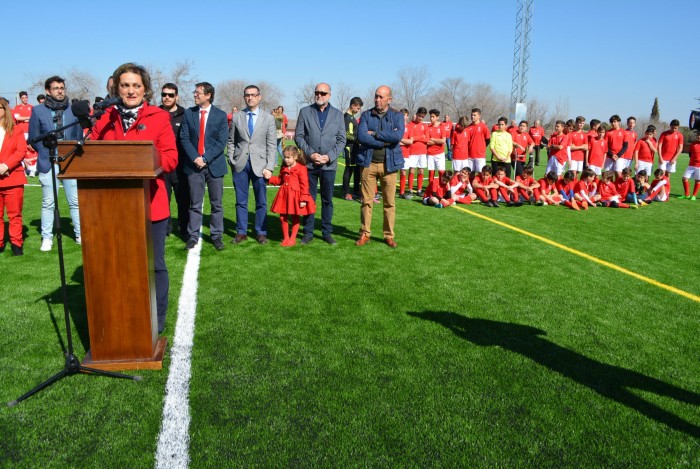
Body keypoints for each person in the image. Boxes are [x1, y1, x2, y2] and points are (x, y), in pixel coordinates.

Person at [91, 62, 178, 334]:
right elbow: (89, 152)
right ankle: (124, 314)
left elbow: (171, 157)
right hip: (112, 206)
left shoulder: (158, 117)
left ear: (145, 89)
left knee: (155, 265)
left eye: (136, 86)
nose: (131, 91)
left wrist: (145, 160)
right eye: (125, 85)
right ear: (116, 88)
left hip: (151, 204)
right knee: (118, 265)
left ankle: (157, 316)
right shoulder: (106, 117)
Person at [28, 75, 82, 252]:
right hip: (48, 160)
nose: (60, 91)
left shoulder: (72, 109)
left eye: (62, 88)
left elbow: (78, 136)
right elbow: (34, 138)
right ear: (48, 91)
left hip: (70, 160)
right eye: (56, 88)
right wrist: (45, 152)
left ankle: (80, 233)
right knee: (49, 202)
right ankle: (47, 237)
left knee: (74, 200)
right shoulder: (38, 111)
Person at [294, 82, 346, 245]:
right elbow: (299, 137)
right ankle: (308, 232)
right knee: (309, 199)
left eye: (323, 93)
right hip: (309, 165)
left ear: (329, 95)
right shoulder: (305, 112)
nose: (319, 95)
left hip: (328, 166)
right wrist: (311, 153)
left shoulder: (338, 115)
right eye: (317, 92)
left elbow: (341, 140)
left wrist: (329, 157)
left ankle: (326, 232)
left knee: (327, 200)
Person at [181, 82, 229, 250]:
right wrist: (195, 157)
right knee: (195, 203)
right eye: (195, 92)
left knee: (216, 204)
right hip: (194, 167)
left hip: (214, 166)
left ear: (208, 95)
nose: (195, 95)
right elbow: (184, 138)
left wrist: (205, 158)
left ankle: (216, 236)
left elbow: (221, 142)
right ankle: (193, 236)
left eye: (198, 93)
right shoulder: (189, 114)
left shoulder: (221, 115)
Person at [355, 85, 404, 248]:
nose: (377, 99)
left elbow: (398, 136)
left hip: (389, 166)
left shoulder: (397, 116)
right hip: (368, 164)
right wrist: (385, 141)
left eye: (381, 97)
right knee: (366, 201)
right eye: (376, 96)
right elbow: (362, 136)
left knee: (389, 203)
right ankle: (365, 233)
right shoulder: (366, 114)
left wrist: (375, 134)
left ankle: (388, 235)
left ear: (389, 99)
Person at [228, 84, 277, 245]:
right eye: (247, 95)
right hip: (240, 164)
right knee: (241, 201)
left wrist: (269, 167)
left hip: (260, 165)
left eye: (253, 95)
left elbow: (272, 144)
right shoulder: (237, 117)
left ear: (259, 97)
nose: (250, 97)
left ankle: (261, 231)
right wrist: (232, 159)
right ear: (244, 97)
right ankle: (241, 232)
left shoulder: (268, 118)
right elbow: (231, 141)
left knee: (261, 201)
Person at [268, 146, 316, 246]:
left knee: (295, 217)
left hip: (295, 196)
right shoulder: (284, 167)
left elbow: (304, 184)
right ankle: (286, 238)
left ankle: (292, 239)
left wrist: (304, 198)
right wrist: (269, 178)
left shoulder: (301, 168)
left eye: (288, 157)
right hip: (284, 195)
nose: (286, 160)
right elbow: (280, 180)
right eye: (285, 157)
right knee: (282, 217)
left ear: (295, 157)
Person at [159, 83, 190, 237]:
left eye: (171, 95)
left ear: (176, 96)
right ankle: (166, 229)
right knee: (163, 200)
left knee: (183, 200)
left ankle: (184, 228)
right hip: (161, 165)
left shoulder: (185, 114)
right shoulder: (155, 114)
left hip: (180, 165)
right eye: (164, 94)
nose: (167, 97)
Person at [0, 97, 28, 255]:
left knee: (15, 214)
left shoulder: (16, 129)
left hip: (12, 178)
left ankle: (16, 243)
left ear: (5, 110)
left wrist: (5, 166)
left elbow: (20, 151)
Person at [342, 97, 363, 201]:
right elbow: (347, 135)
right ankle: (346, 192)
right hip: (350, 147)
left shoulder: (352, 117)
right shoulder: (347, 118)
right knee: (349, 169)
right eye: (358, 108)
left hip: (355, 147)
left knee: (357, 169)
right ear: (353, 106)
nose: (358, 110)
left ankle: (355, 190)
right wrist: (359, 139)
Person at [12, 91, 37, 177]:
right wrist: (27, 118)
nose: (25, 99)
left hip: (31, 131)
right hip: (22, 132)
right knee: (21, 150)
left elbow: (34, 118)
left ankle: (33, 170)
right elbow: (17, 117)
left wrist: (25, 119)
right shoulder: (17, 107)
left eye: (26, 97)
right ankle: (23, 169)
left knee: (33, 149)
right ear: (20, 99)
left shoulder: (32, 107)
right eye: (23, 98)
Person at [406, 107, 429, 196]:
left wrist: (416, 138)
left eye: (422, 117)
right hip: (412, 152)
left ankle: (419, 190)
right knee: (412, 171)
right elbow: (410, 139)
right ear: (416, 114)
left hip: (422, 152)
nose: (420, 118)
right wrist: (421, 137)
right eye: (419, 116)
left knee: (421, 171)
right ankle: (410, 189)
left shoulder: (424, 126)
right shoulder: (410, 125)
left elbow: (427, 139)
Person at [679, 132, 700, 200]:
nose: (698, 136)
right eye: (698, 135)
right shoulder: (693, 143)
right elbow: (690, 153)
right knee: (684, 178)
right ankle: (687, 195)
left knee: (698, 180)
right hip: (691, 164)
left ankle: (693, 196)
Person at [426, 109, 446, 181]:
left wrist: (433, 139)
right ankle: (431, 188)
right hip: (430, 153)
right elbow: (427, 142)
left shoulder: (442, 127)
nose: (431, 118)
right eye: (430, 117)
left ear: (437, 117)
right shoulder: (428, 127)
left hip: (440, 153)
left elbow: (443, 141)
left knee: (441, 171)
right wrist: (438, 141)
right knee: (431, 172)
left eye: (433, 117)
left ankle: (442, 188)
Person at [398, 108, 413, 199]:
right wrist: (405, 141)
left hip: (405, 153)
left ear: (407, 116)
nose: (403, 116)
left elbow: (410, 141)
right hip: (395, 153)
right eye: (401, 114)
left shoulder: (409, 127)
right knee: (392, 173)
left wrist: (400, 140)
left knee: (403, 172)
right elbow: (393, 141)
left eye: (405, 115)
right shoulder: (395, 127)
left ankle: (402, 192)